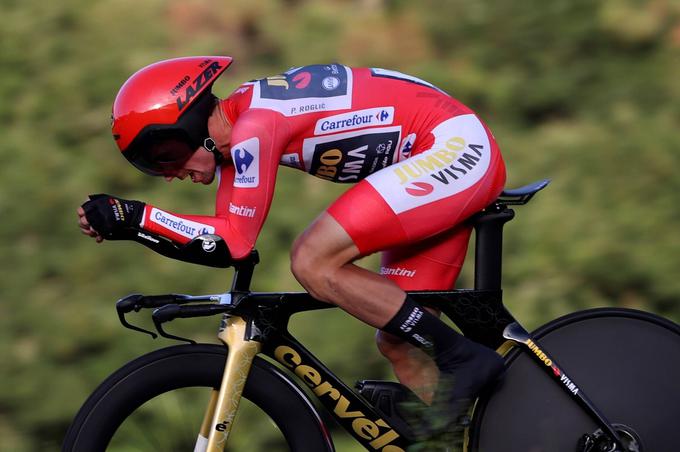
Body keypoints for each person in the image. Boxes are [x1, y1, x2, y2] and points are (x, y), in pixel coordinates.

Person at [77, 56, 506, 438]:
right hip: (436, 151)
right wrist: (133, 226)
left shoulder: (253, 128)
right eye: (152, 167)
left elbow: (234, 240)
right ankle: (463, 438)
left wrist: (136, 217)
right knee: (400, 342)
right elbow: (225, 243)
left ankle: (463, 357)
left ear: (189, 123)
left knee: (313, 261)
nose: (168, 173)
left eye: (164, 154)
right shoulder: (239, 129)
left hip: (451, 147)